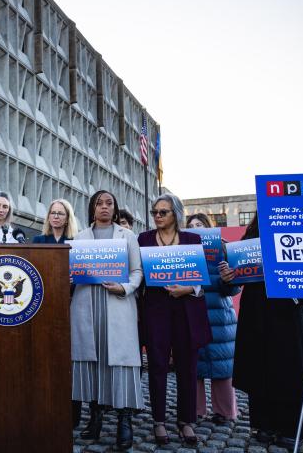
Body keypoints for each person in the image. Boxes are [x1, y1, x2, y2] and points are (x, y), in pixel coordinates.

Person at [226, 217, 303, 449]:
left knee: (289, 369)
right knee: (259, 365)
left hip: (287, 310)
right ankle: (265, 423)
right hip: (256, 310)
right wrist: (229, 277)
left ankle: (291, 427)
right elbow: (235, 277)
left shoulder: (298, 232)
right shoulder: (251, 236)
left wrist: (297, 297)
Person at [72, 190, 144, 450]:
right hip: (87, 307)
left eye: (109, 203)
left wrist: (124, 287)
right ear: (92, 208)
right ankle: (95, 418)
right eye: (99, 203)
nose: (104, 207)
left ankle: (125, 420)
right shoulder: (80, 237)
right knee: (92, 362)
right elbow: (73, 271)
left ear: (115, 208)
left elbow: (137, 271)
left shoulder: (128, 236)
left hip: (117, 305)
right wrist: (70, 274)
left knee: (121, 363)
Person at [138, 193, 211, 447]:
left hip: (186, 310)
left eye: (163, 212)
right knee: (157, 364)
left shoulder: (192, 240)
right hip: (156, 310)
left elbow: (203, 279)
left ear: (176, 214)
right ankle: (158, 420)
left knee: (187, 366)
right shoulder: (144, 239)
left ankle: (186, 420)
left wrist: (188, 289)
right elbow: (138, 275)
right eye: (154, 212)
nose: (157, 216)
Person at [186, 213, 239, 425]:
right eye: (191, 226)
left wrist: (228, 279)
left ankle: (225, 412)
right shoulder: (184, 251)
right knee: (194, 365)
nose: (195, 228)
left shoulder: (224, 248)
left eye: (199, 224)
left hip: (219, 316)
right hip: (193, 314)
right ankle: (196, 410)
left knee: (222, 366)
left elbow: (233, 288)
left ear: (208, 227)